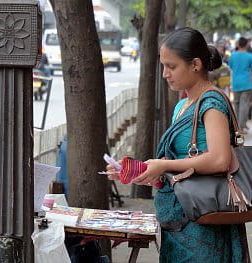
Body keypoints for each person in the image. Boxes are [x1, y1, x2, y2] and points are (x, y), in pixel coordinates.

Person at [107, 27, 250, 262]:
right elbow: (177, 164)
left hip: (203, 224)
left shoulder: (211, 104)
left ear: (195, 64)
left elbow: (219, 159)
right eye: (164, 66)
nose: (165, 74)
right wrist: (137, 170)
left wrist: (163, 166)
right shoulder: (182, 106)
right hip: (178, 220)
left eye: (171, 66)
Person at [229, 37, 252, 133]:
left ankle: (236, 126)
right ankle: (240, 128)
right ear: (246, 44)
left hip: (235, 83)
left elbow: (231, 67)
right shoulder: (250, 56)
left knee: (237, 105)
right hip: (246, 83)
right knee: (244, 106)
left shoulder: (232, 56)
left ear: (238, 44)